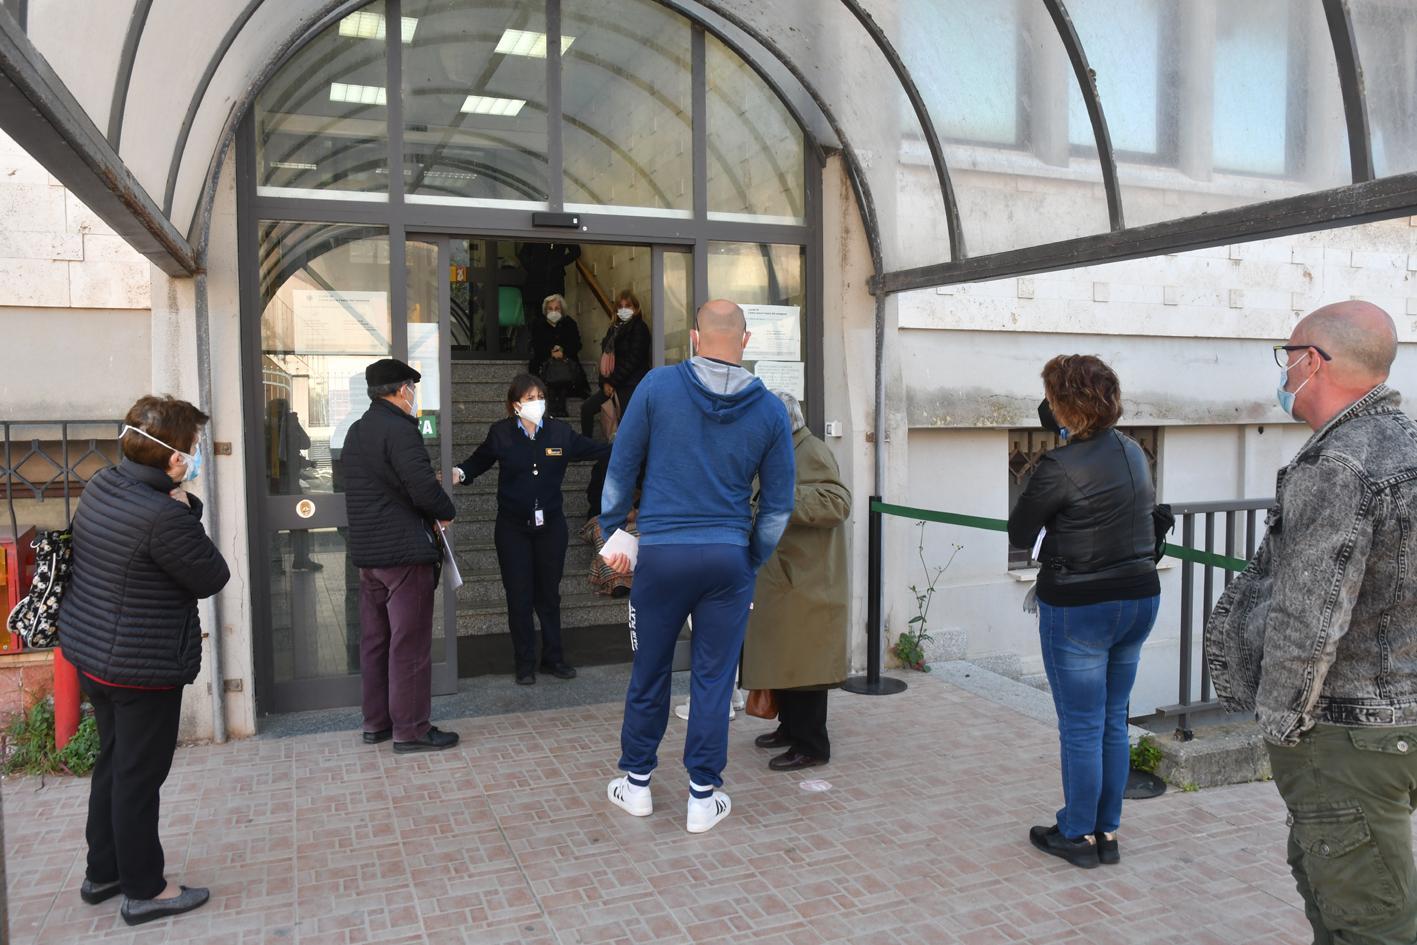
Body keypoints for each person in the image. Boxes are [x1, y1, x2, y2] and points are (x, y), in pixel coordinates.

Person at [1207, 301, 1417, 944]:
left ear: (1312, 362)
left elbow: (1309, 611)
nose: (1284, 370)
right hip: (1392, 719)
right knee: (1342, 888)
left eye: (1287, 355)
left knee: (1368, 918)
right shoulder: (1405, 442)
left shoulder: (1341, 464)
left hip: (1344, 731)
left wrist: (1282, 724)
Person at [600, 299, 795, 834]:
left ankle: (637, 784)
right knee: (714, 679)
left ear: (693, 337)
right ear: (746, 341)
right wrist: (749, 559)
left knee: (650, 670)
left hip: (662, 557)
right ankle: (702, 798)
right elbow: (778, 507)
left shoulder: (657, 387)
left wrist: (612, 531)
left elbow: (621, 466)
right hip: (727, 558)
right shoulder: (770, 410)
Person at [58, 395, 230, 925]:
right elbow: (211, 575)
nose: (196, 455)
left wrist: (181, 507)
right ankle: (144, 889)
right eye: (193, 447)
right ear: (174, 458)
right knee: (139, 777)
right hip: (141, 666)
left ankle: (103, 872)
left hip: (94, 655)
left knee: (115, 763)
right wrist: (186, 510)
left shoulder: (104, 484)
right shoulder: (162, 516)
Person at [1007, 355, 1160, 870]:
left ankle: (1076, 834)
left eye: (1051, 397)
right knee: (1112, 719)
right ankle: (1106, 831)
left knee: (1080, 725)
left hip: (1081, 606)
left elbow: (1020, 531)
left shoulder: (1059, 466)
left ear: (1062, 404)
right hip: (1139, 598)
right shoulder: (1134, 451)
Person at [453, 374, 611, 684]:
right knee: (519, 597)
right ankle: (524, 663)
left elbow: (597, 449)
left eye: (540, 396)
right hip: (513, 529)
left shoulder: (559, 432)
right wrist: (458, 473)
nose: (537, 403)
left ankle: (554, 659)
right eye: (530, 398)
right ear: (516, 405)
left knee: (549, 596)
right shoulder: (501, 433)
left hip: (551, 527)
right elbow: (478, 461)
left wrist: (633, 446)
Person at [341, 358, 459, 753]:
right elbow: (422, 486)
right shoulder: (401, 430)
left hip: (369, 555)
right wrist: (446, 511)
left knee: (375, 642)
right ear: (401, 389)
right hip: (405, 555)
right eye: (412, 387)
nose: (414, 395)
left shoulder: (357, 431)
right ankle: (410, 729)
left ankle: (377, 723)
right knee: (409, 645)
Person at [742, 391, 852, 771]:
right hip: (786, 577)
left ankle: (812, 745)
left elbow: (837, 502)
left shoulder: (812, 450)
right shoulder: (783, 449)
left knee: (806, 667)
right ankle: (789, 729)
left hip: (808, 579)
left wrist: (782, 496)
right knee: (786, 659)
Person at [580, 290, 651, 439]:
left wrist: (612, 382)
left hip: (630, 384)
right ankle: (586, 445)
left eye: (628, 306)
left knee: (626, 423)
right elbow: (604, 360)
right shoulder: (613, 330)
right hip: (613, 384)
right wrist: (604, 382)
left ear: (636, 308)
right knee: (587, 408)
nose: (623, 310)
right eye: (620, 306)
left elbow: (633, 360)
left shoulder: (640, 328)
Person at [529, 294, 589, 412]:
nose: (553, 311)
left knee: (562, 375)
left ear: (562, 310)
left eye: (557, 308)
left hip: (566, 362)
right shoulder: (538, 324)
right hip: (544, 363)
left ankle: (560, 409)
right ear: (545, 311)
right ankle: (554, 409)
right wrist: (550, 352)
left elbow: (577, 344)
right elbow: (535, 345)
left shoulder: (569, 323)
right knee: (549, 377)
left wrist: (563, 351)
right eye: (550, 309)